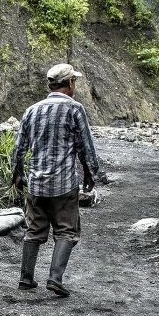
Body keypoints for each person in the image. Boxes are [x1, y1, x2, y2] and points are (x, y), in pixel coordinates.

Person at [11, 63, 100, 297]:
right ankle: (55, 278)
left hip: (37, 183)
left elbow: (20, 146)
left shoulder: (32, 110)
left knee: (34, 229)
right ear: (70, 83)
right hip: (63, 184)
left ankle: (26, 278)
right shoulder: (75, 109)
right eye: (75, 82)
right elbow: (85, 146)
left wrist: (18, 173)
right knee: (67, 230)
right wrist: (90, 173)